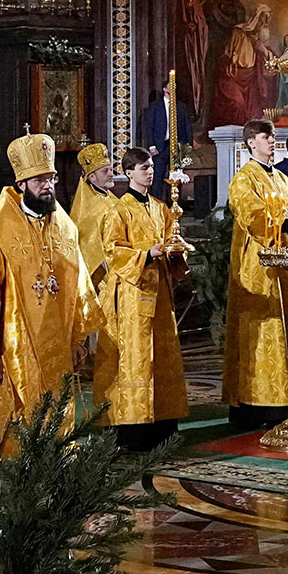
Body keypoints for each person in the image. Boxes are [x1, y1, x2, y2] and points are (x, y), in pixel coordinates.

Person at [0, 133, 95, 457]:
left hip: (59, 345)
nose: (47, 185)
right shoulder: (0, 232)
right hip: (15, 347)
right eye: (39, 180)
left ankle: (55, 479)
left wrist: (79, 338)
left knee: (58, 412)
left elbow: (79, 284)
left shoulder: (65, 228)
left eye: (50, 178)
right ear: (21, 184)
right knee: (19, 420)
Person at [89, 146, 192, 451]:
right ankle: (133, 429)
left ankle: (163, 423)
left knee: (161, 357)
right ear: (129, 172)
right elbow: (113, 251)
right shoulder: (118, 210)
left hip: (160, 294)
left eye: (151, 167)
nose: (149, 172)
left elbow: (170, 245)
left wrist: (176, 253)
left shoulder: (161, 207)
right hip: (132, 297)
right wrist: (148, 252)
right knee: (134, 360)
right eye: (143, 168)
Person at [224, 119, 288, 431]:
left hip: (284, 264)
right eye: (265, 137)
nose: (272, 141)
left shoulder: (283, 179)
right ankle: (258, 402)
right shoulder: (243, 180)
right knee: (262, 334)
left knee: (286, 330)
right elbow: (253, 217)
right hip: (256, 267)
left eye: (272, 136)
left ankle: (287, 398)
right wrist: (286, 222)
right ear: (250, 143)